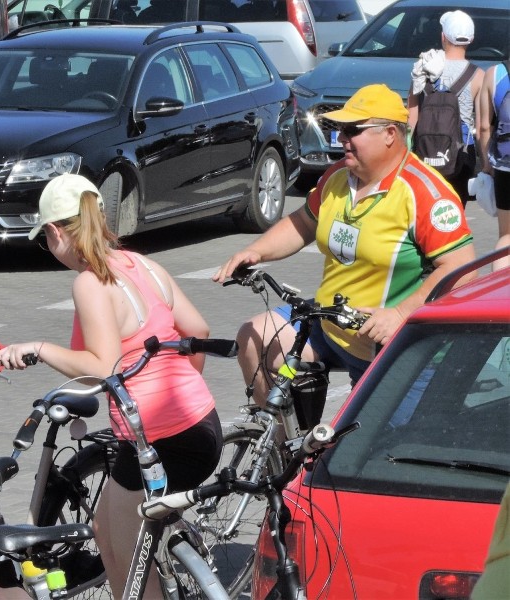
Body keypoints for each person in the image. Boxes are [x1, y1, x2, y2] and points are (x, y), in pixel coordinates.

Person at [0, 174, 222, 598]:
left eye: (44, 241)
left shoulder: (89, 282)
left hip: (157, 440)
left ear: (55, 232)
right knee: (104, 528)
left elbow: (100, 368)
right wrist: (179, 393)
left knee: (129, 555)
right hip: (202, 425)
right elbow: (199, 330)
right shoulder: (143, 265)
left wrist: (40, 348)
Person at [213, 84, 476, 405]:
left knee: (370, 449)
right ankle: (283, 450)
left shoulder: (425, 193)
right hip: (329, 325)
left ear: (390, 134)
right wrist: (255, 250)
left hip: (390, 346)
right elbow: (304, 223)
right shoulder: (338, 177)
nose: (341, 139)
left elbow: (461, 269)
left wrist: (400, 313)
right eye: (339, 129)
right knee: (254, 340)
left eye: (353, 131)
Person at [407, 10, 484, 204]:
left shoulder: (422, 68)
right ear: (471, 39)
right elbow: (482, 126)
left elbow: (411, 116)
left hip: (424, 153)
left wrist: (407, 154)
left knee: (424, 210)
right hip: (461, 156)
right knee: (454, 213)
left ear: (443, 37)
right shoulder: (478, 75)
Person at [476, 61, 510, 271]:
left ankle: (503, 295)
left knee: (506, 237)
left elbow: (483, 126)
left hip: (506, 166)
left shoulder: (495, 73)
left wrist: (488, 165)